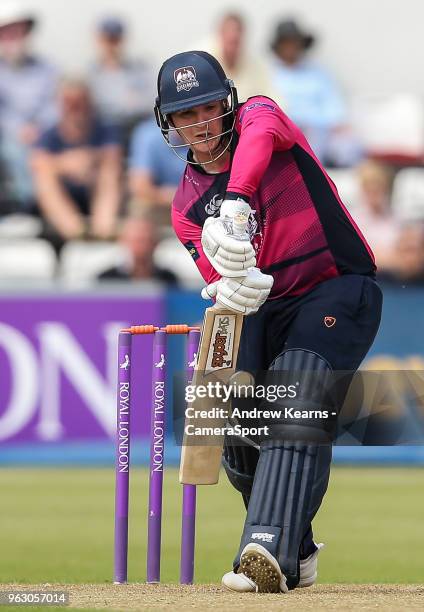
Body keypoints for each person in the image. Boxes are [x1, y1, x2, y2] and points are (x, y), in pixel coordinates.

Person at [154, 51, 382, 593]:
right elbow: (217, 278)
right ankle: (297, 550)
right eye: (185, 115)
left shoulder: (262, 116)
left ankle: (265, 547)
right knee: (239, 428)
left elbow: (255, 143)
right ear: (169, 122)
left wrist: (236, 202)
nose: (201, 125)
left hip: (336, 286)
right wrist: (228, 281)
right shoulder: (185, 208)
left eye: (208, 108)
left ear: (228, 102)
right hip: (264, 307)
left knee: (296, 395)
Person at [31, 78, 122, 244]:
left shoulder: (104, 130)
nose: (74, 108)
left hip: (95, 189)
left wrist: (88, 159)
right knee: (44, 176)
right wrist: (67, 164)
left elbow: (113, 155)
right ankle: (76, 232)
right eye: (69, 102)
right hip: (64, 195)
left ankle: (104, 228)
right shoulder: (50, 134)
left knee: (110, 171)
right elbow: (37, 162)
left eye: (79, 102)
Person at [269, 19, 360, 166]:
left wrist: (337, 122)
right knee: (308, 144)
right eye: (286, 43)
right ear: (279, 46)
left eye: (294, 42)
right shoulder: (270, 73)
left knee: (350, 147)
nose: (291, 47)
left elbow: (333, 103)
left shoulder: (317, 71)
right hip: (288, 133)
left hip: (323, 130)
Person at [0, 2, 58, 212]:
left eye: (17, 31)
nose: (12, 38)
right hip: (9, 138)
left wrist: (38, 128)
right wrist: (18, 129)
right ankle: (28, 206)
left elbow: (54, 106)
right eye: (7, 33)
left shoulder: (47, 68)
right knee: (15, 150)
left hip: (43, 135)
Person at [88, 16, 155, 139]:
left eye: (116, 39)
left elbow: (151, 101)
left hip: (135, 127)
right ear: (99, 40)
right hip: (103, 131)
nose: (112, 45)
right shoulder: (90, 73)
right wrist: (125, 104)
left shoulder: (139, 68)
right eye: (108, 39)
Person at [194, 12, 280, 104]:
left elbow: (272, 95)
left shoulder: (255, 62)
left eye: (236, 40)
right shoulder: (199, 59)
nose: (233, 36)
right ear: (220, 34)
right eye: (229, 36)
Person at [127, 118, 186, 228]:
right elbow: (140, 187)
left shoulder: (213, 134)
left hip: (201, 202)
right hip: (162, 203)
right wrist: (174, 197)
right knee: (139, 206)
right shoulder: (147, 134)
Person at [98, 214, 177, 284]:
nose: (143, 247)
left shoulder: (168, 280)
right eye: (137, 241)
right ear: (123, 241)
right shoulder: (107, 280)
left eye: (147, 240)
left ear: (156, 243)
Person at [353, 160, 400, 273]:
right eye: (369, 188)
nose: (374, 193)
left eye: (378, 188)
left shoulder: (397, 218)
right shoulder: (353, 220)